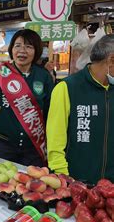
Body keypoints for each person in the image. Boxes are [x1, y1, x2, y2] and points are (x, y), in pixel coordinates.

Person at [0, 29, 54, 166]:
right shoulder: (0, 72)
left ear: (36, 51)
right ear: (12, 49)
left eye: (28, 46)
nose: (22, 50)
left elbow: (49, 110)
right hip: (4, 144)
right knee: (4, 182)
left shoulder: (44, 76)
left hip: (34, 146)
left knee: (33, 184)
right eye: (17, 46)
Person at [46, 35, 113, 184]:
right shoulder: (67, 88)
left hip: (109, 189)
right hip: (77, 183)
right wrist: (62, 176)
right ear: (111, 60)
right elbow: (55, 140)